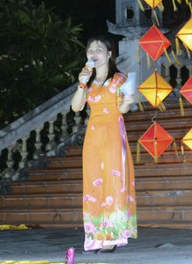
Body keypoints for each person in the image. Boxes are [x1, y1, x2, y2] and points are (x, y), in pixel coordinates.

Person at [70, 35, 137, 253]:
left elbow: (123, 108)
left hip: (113, 134)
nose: (94, 53)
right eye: (91, 50)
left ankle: (113, 235)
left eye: (99, 49)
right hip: (93, 137)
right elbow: (76, 107)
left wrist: (128, 101)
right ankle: (95, 236)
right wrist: (81, 82)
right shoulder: (88, 82)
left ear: (109, 54)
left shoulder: (119, 79)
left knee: (113, 181)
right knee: (93, 183)